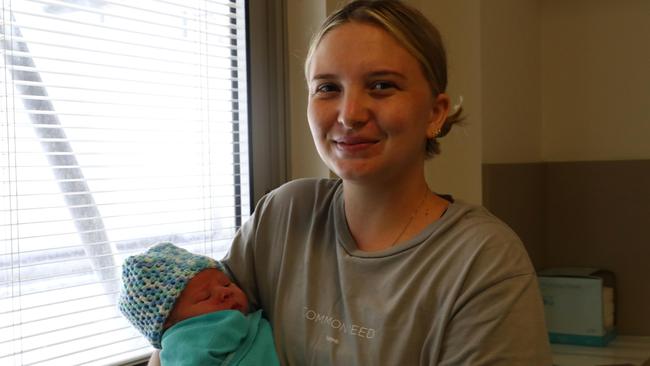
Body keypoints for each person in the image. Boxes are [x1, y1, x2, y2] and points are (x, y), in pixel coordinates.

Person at [151, 1, 552, 365]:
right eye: (327, 88)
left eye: (381, 85)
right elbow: (185, 338)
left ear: (435, 113)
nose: (350, 113)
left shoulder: (482, 262)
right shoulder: (283, 215)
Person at [119, 242, 279, 365]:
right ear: (168, 323)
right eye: (205, 296)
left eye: (226, 283)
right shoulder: (187, 342)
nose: (225, 292)